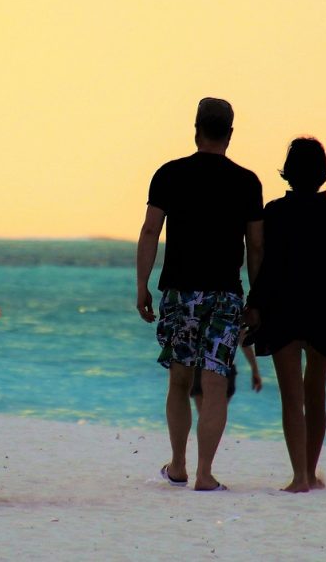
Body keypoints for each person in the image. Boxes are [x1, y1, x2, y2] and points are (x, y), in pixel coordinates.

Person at [136, 97, 263, 492]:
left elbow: (150, 231)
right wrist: (257, 300)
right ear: (229, 133)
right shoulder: (246, 182)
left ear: (196, 129)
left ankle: (178, 466)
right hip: (225, 294)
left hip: (179, 291)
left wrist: (141, 283)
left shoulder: (169, 174)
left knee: (178, 380)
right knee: (215, 383)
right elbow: (256, 247)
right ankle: (205, 474)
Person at [243, 137, 326, 493]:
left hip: (282, 313)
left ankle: (298, 476)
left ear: (289, 172)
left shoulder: (275, 212)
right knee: (316, 395)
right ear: (322, 174)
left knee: (292, 398)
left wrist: (254, 304)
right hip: (322, 314)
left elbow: (266, 269)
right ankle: (310, 475)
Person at [190, 338, 262, 413]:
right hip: (225, 364)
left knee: (205, 415)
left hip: (201, 363)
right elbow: (244, 339)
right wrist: (255, 369)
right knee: (215, 416)